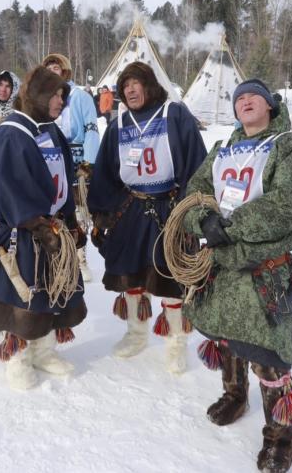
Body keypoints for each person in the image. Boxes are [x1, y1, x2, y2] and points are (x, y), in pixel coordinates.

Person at [181, 78, 292, 472]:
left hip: (263, 270)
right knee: (227, 338)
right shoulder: (222, 150)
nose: (245, 102)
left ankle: (280, 437)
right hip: (221, 266)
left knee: (268, 357)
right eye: (239, 98)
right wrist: (203, 219)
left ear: (270, 107)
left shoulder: (287, 147)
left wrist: (231, 225)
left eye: (253, 97)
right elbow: (195, 190)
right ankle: (235, 394)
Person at [0, 66, 87, 389]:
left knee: (51, 294)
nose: (61, 102)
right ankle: (18, 360)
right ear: (38, 96)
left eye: (63, 95)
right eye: (56, 95)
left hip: (53, 231)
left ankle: (44, 351)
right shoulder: (9, 134)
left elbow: (65, 177)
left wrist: (70, 219)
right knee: (20, 300)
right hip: (22, 235)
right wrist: (34, 222)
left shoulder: (50, 130)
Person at [87, 61, 207, 374]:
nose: (129, 90)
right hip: (131, 209)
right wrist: (103, 213)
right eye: (124, 86)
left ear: (149, 84)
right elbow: (105, 170)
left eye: (135, 83)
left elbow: (196, 163)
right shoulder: (119, 123)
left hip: (169, 207)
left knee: (170, 277)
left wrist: (190, 209)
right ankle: (136, 333)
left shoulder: (174, 114)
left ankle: (175, 342)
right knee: (131, 276)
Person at [42, 53, 101, 282]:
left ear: (64, 71)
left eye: (56, 67)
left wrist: (88, 162)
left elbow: (91, 129)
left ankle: (80, 257)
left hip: (76, 160)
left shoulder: (79, 96)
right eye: (48, 68)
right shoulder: (43, 99)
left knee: (77, 212)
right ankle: (58, 257)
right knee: (52, 212)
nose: (52, 71)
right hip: (50, 159)